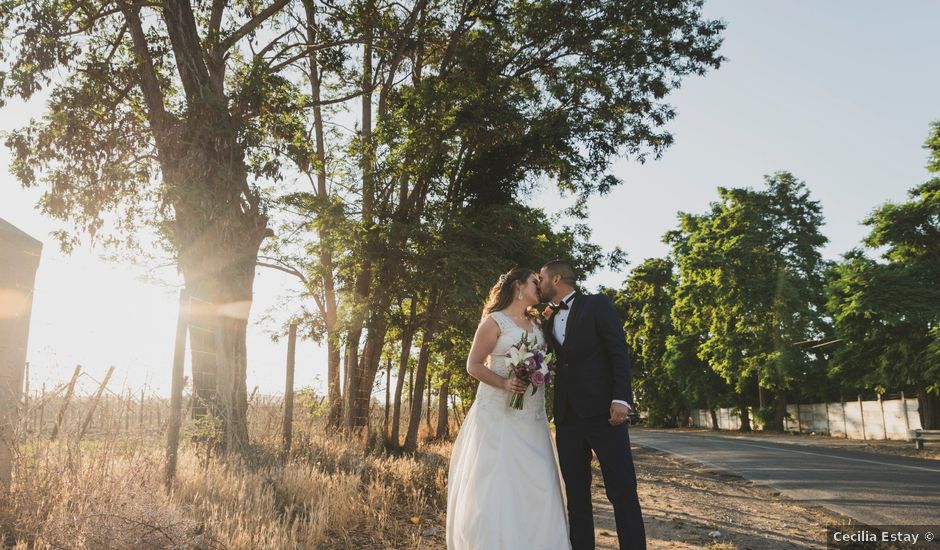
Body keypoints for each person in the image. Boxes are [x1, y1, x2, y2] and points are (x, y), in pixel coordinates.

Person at [446, 267, 571, 550]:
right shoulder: (494, 322)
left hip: (532, 414)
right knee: (499, 481)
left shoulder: (538, 323)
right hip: (499, 413)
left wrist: (543, 369)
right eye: (534, 283)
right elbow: (473, 365)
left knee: (537, 480)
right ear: (518, 286)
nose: (539, 287)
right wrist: (504, 383)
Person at [538, 259, 646, 550]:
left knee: (622, 491)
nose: (539, 283)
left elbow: (617, 351)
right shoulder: (547, 318)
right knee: (576, 496)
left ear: (557, 279)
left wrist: (621, 398)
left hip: (604, 413)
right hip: (567, 417)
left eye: (542, 277)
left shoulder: (596, 304)